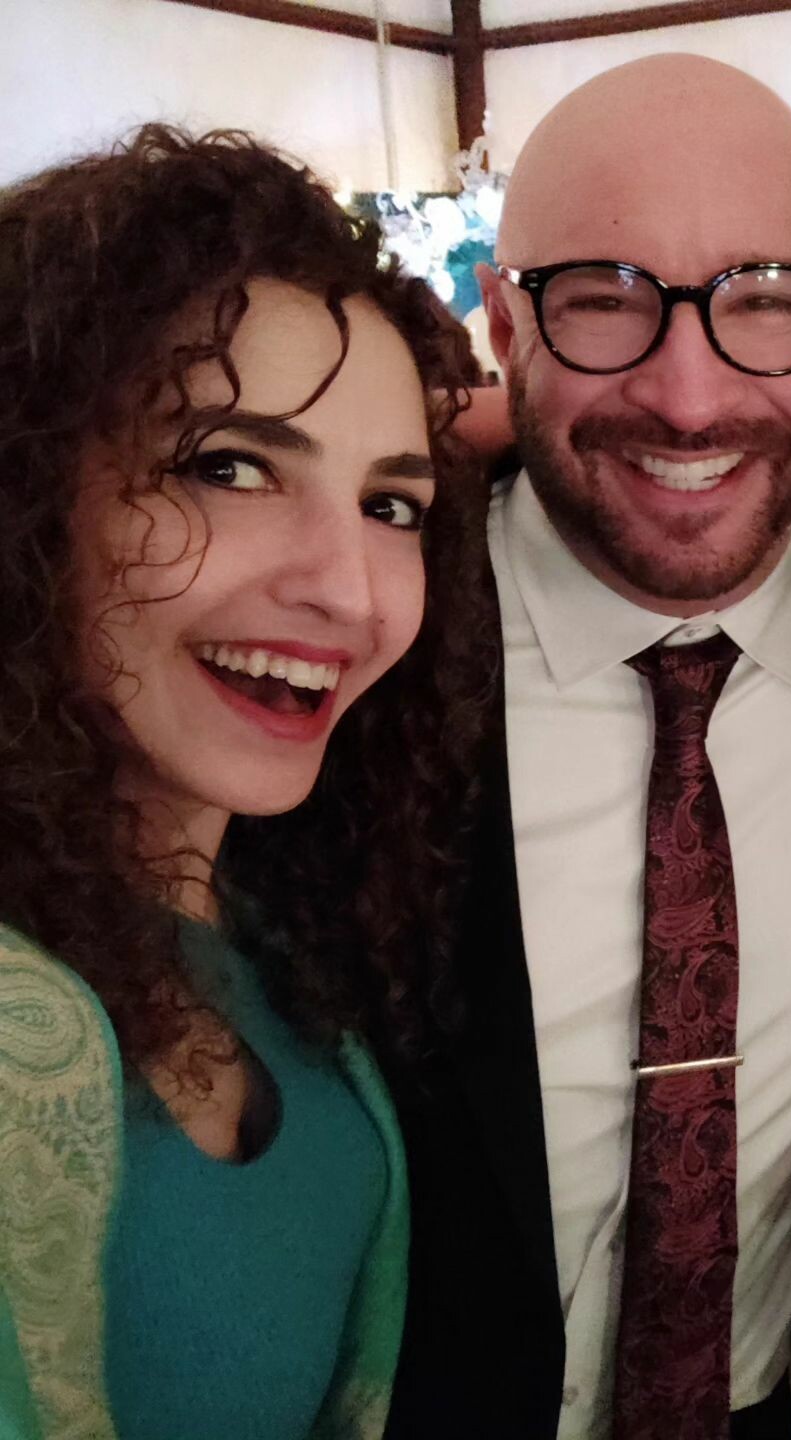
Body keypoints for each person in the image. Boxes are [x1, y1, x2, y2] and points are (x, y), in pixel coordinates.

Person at [382, 53, 791, 1440]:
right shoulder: (364, 651)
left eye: (763, 299)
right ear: (504, 324)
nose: (690, 396)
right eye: (603, 299)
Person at [0, 126, 484, 1439]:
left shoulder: (289, 935)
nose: (350, 590)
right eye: (230, 467)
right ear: (31, 495)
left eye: (392, 505)